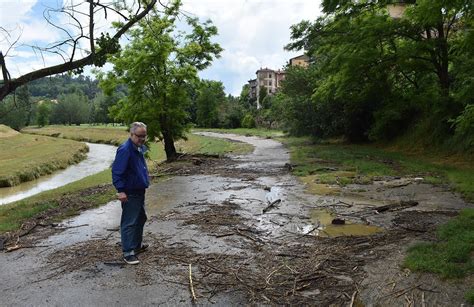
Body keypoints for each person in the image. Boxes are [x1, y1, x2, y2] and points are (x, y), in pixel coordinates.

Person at [112, 122, 150, 265]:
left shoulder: (138, 148)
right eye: (139, 136)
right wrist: (120, 190)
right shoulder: (125, 149)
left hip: (139, 190)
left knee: (141, 218)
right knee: (129, 222)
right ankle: (128, 253)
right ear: (131, 134)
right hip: (130, 191)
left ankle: (136, 246)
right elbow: (117, 172)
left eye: (144, 136)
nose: (142, 139)